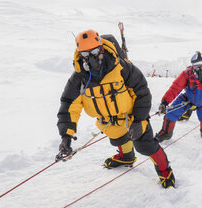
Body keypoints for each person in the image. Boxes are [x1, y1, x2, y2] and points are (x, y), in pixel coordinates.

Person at [56, 29, 175, 188]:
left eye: (95, 51)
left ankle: (165, 170)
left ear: (102, 49)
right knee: (118, 139)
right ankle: (127, 157)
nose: (91, 57)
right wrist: (66, 136)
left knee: (145, 145)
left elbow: (142, 92)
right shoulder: (79, 78)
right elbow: (69, 105)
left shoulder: (122, 68)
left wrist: (139, 120)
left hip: (133, 117)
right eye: (86, 54)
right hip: (109, 122)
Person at [155, 51, 202, 142]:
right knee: (171, 113)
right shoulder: (187, 73)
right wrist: (165, 101)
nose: (199, 69)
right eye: (196, 67)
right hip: (188, 98)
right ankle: (166, 133)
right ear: (193, 66)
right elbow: (175, 88)